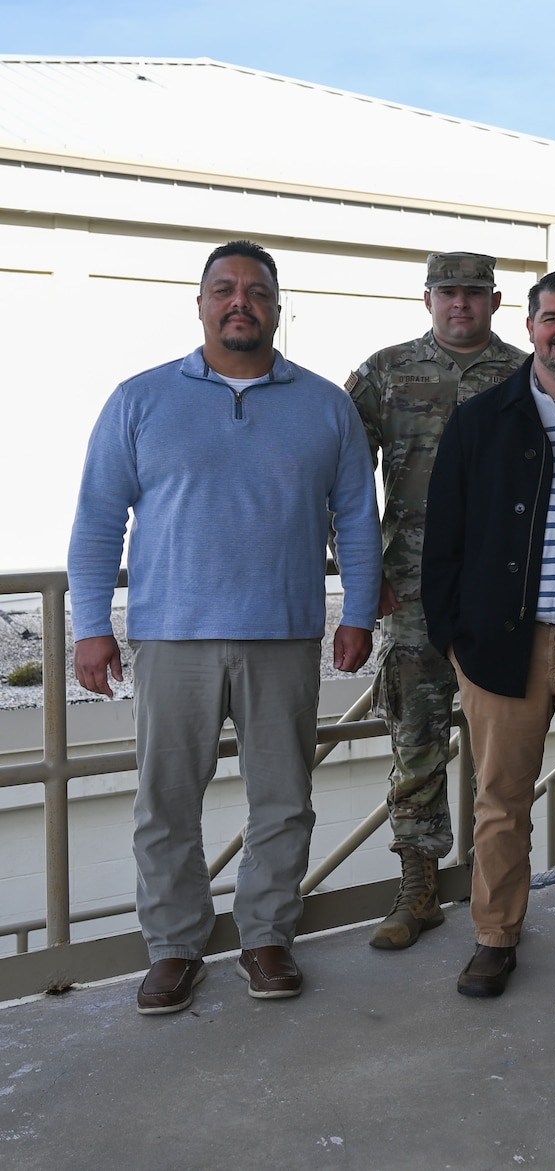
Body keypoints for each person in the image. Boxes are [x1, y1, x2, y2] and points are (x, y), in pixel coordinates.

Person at [69, 239, 381, 1014]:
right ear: (201, 302)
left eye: (257, 291)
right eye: (224, 289)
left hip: (284, 633)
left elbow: (356, 518)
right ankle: (174, 946)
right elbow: (99, 521)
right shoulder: (138, 400)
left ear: (280, 307)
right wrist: (89, 625)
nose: (240, 302)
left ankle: (267, 935)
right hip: (172, 636)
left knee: (284, 798)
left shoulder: (324, 404)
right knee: (166, 801)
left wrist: (362, 612)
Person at [423, 270, 555, 999]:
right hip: (501, 641)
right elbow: (441, 538)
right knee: (499, 797)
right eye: (551, 317)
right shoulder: (482, 418)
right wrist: (454, 639)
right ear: (532, 326)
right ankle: (494, 936)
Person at [346, 251, 527, 950]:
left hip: (504, 590)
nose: (461, 305)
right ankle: (417, 887)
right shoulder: (385, 371)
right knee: (416, 737)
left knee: (503, 746)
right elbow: (344, 480)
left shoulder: (522, 371)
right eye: (449, 293)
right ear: (427, 299)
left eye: (474, 294)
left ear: (495, 301)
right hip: (415, 587)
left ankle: (497, 888)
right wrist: (363, 577)